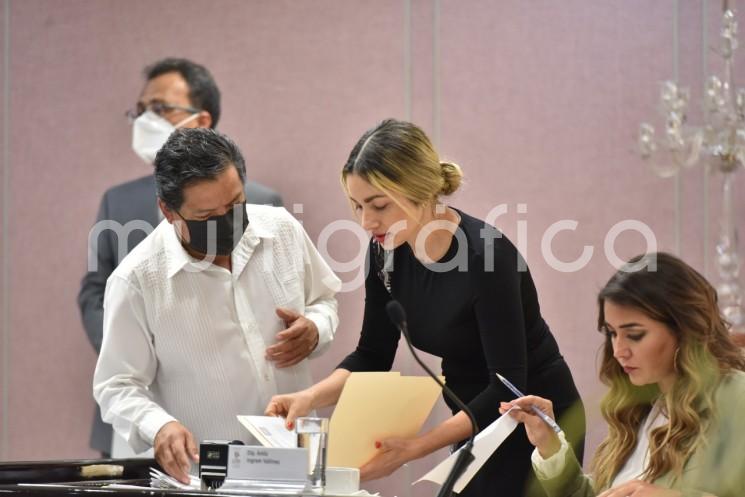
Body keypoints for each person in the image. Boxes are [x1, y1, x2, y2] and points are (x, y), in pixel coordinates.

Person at [265, 119, 585, 496]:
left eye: (379, 205)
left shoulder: (486, 257)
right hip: (472, 416)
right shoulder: (384, 250)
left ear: (419, 190)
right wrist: (308, 398)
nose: (367, 221)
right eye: (357, 206)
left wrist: (414, 449)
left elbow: (506, 385)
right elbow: (372, 355)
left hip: (532, 421)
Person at [93, 128, 340, 483]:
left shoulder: (282, 229)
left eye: (235, 205)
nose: (226, 222)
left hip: (294, 467)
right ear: (168, 210)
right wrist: (159, 425)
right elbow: (116, 385)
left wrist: (317, 328)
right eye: (208, 216)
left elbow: (324, 299)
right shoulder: (137, 281)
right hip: (206, 479)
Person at [78, 57, 282, 458]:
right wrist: (132, 342)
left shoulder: (262, 203)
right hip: (136, 407)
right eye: (140, 110)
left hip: (232, 411)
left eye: (160, 108)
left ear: (202, 120)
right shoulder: (118, 201)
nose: (144, 120)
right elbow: (94, 291)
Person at [501, 252, 745, 497]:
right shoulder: (641, 407)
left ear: (684, 328)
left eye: (635, 335)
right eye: (612, 334)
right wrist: (551, 447)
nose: (618, 351)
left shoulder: (736, 398)